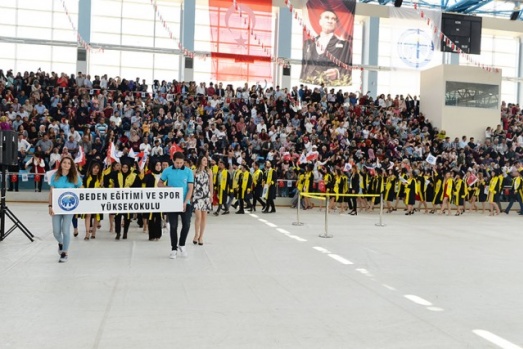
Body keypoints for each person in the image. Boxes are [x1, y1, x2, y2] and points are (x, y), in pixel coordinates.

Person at [300, 8, 353, 86]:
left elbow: (348, 67)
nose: (330, 21)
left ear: (336, 24)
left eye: (333, 19)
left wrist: (337, 72)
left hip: (330, 84)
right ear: (320, 21)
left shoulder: (344, 45)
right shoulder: (308, 43)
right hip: (308, 83)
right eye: (327, 17)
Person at [158, 151, 194, 259]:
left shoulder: (188, 172)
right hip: (172, 202)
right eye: (177, 162)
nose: (179, 165)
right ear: (173, 161)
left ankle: (182, 244)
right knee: (173, 226)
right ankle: (173, 248)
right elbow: (159, 184)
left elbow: (190, 188)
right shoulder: (167, 171)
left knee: (186, 225)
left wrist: (185, 202)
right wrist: (168, 188)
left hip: (185, 202)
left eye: (181, 163)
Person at [48, 156, 83, 263]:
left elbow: (81, 189)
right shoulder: (55, 176)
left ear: (71, 165)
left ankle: (64, 252)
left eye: (69, 163)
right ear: (61, 163)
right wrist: (50, 206)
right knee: (56, 231)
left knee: (65, 229)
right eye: (64, 162)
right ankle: (61, 243)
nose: (66, 164)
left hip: (69, 208)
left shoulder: (75, 176)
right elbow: (51, 192)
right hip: (57, 208)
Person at [192, 155, 213, 245]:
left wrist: (211, 195)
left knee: (204, 217)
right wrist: (191, 195)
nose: (206, 161)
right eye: (204, 160)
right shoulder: (194, 171)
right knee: (198, 217)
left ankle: (201, 236)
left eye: (206, 160)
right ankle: (196, 235)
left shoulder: (209, 171)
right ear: (200, 160)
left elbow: (211, 184)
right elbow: (192, 184)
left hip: (206, 195)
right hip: (197, 196)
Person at [143, 158, 163, 241]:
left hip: (161, 199)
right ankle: (151, 235)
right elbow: (144, 186)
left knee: (158, 217)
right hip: (151, 199)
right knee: (151, 217)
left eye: (159, 165)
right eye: (156, 165)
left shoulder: (163, 175)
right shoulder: (149, 176)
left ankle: (158, 235)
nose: (158, 167)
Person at [82, 160, 103, 240]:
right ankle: (87, 233)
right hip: (88, 199)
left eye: (97, 168)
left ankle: (94, 232)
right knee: (88, 215)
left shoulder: (100, 178)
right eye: (94, 168)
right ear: (91, 168)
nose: (96, 169)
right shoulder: (86, 177)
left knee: (95, 216)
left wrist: (101, 186)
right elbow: (82, 186)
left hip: (97, 200)